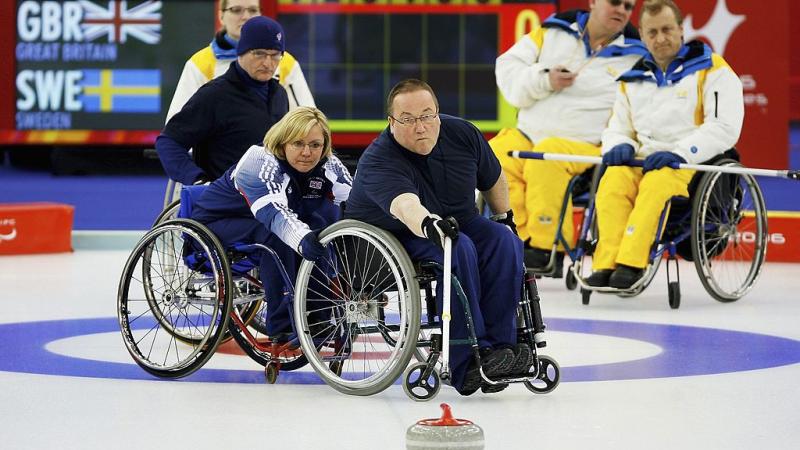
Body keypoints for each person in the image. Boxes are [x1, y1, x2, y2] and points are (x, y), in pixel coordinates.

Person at [345, 79, 530, 396]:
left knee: (503, 240)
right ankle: (466, 360)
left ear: (438, 115)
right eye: (408, 119)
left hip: (459, 218)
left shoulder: (462, 133)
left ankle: (502, 348)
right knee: (458, 247)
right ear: (392, 122)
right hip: (397, 236)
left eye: (427, 115)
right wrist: (432, 225)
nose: (420, 127)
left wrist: (504, 218)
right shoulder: (379, 159)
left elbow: (494, 176)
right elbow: (405, 206)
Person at [586, 0, 744, 288]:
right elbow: (618, 127)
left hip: (690, 162)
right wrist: (619, 144)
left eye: (668, 29)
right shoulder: (631, 79)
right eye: (653, 32)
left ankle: (632, 264)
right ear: (643, 36)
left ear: (682, 30)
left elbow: (724, 127)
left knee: (656, 184)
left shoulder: (713, 70)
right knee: (613, 182)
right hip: (641, 160)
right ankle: (605, 262)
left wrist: (680, 152)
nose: (661, 38)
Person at [491, 0, 647, 276]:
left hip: (588, 146)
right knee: (492, 158)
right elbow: (507, 67)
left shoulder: (636, 55)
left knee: (547, 156)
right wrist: (544, 79)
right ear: (593, 3)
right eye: (615, 3)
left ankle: (546, 247)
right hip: (528, 135)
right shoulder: (553, 31)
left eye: (628, 6)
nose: (622, 10)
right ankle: (519, 240)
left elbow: (641, 110)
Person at [190, 106, 352, 338]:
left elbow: (356, 202)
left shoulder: (329, 164)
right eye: (298, 143)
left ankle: (319, 317)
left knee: (321, 230)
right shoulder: (258, 162)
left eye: (315, 145)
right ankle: (281, 325)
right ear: (283, 141)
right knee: (278, 237)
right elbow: (274, 214)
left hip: (266, 221)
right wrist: (303, 239)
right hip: (216, 223)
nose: (307, 152)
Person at [156, 16, 290, 186]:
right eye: (259, 53)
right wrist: (197, 180)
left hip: (272, 198)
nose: (268, 63)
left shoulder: (280, 94)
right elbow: (169, 141)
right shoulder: (214, 95)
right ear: (241, 51)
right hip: (225, 203)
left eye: (275, 55)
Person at [166, 0, 314, 123]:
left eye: (252, 10)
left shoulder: (285, 61)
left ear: (260, 14)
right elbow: (177, 126)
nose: (245, 17)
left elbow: (309, 121)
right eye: (236, 10)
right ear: (221, 15)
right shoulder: (200, 63)